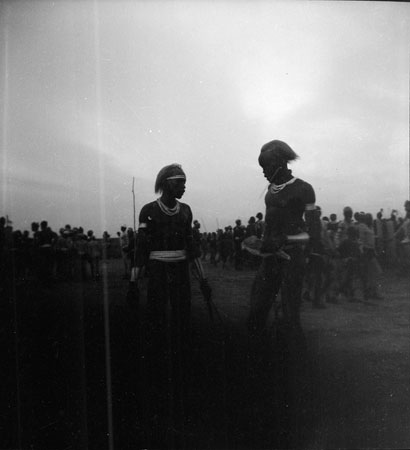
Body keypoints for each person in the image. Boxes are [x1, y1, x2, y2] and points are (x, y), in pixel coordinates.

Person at [127, 163, 211, 444]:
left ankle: (182, 371)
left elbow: (191, 247)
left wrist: (203, 279)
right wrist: (133, 282)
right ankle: (155, 373)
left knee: (182, 319)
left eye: (185, 182)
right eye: (180, 182)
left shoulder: (186, 211)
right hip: (159, 272)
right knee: (155, 319)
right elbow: (141, 248)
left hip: (180, 273)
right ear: (166, 184)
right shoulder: (148, 211)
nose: (184, 186)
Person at [247, 140, 321, 338]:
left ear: (280, 163)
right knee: (257, 308)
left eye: (266, 167)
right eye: (261, 167)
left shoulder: (304, 189)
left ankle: (295, 361)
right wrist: (260, 243)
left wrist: (285, 239)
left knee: (290, 314)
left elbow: (313, 234)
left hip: (292, 259)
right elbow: (271, 227)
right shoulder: (270, 191)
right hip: (270, 257)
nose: (263, 172)